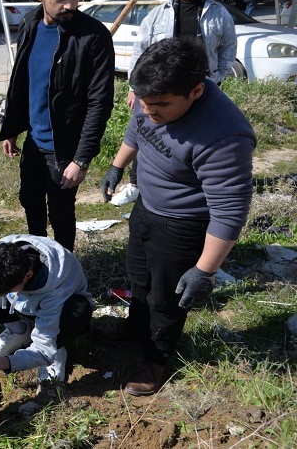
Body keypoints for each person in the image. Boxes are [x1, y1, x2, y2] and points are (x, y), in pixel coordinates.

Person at [97, 38, 256, 396]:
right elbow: (138, 127)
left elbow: (229, 209)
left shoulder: (224, 135)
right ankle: (136, 329)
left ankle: (156, 359)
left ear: (196, 90)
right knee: (139, 279)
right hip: (146, 207)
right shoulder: (152, 96)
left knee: (166, 298)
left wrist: (205, 270)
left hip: (183, 223)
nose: (150, 111)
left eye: (161, 107)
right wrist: (117, 165)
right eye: (145, 102)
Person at [0, 0, 114, 252]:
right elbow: (22, 80)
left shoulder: (93, 36)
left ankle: (64, 272)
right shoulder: (30, 23)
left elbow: (99, 102)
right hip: (34, 142)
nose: (71, 5)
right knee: (31, 204)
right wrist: (12, 128)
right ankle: (37, 260)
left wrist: (81, 159)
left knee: (62, 214)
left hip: (65, 148)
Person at [120, 0, 238, 208]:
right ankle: (136, 184)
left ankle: (191, 185)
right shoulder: (158, 14)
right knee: (149, 132)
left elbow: (228, 48)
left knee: (197, 138)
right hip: (160, 88)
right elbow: (141, 50)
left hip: (198, 89)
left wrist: (216, 79)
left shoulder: (219, 13)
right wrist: (134, 87)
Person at [0, 234, 94, 382]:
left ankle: (57, 348)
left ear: (28, 275)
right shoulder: (3, 253)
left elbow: (42, 351)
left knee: (76, 312)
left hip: (65, 308)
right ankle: (17, 331)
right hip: (25, 302)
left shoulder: (56, 286)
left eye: (7, 291)